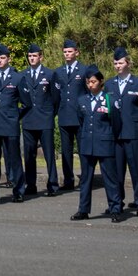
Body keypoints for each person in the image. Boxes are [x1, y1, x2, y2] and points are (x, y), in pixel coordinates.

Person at [70, 66, 124, 222]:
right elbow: (82, 120)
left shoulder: (110, 100)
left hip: (105, 143)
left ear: (101, 82)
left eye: (93, 81)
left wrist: (108, 137)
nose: (90, 85)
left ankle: (115, 209)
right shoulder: (82, 100)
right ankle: (83, 210)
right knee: (86, 179)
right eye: (88, 82)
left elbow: (116, 123)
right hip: (87, 144)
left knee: (110, 179)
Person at [0, 44, 30, 202]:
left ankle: (18, 191)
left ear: (9, 59)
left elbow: (27, 103)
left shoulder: (17, 77)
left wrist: (16, 115)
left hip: (10, 123)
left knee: (14, 159)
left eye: (3, 58)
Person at [106, 47, 138, 214]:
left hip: (133, 133)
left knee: (137, 169)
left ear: (128, 63)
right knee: (116, 172)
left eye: (121, 62)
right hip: (116, 134)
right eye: (115, 63)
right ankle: (117, 203)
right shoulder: (109, 84)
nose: (118, 66)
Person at [21, 44, 60, 198]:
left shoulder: (50, 74)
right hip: (29, 119)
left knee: (49, 154)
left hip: (44, 119)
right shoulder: (23, 75)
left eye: (34, 56)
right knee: (29, 155)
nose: (32, 58)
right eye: (30, 56)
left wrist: (50, 114)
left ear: (40, 57)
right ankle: (30, 184)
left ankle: (53, 185)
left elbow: (56, 98)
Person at [55, 39, 87, 191]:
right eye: (65, 52)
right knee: (66, 151)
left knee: (82, 150)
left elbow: (88, 93)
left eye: (70, 51)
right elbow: (56, 94)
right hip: (64, 115)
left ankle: (85, 179)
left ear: (76, 52)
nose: (67, 54)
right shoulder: (59, 72)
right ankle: (68, 180)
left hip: (79, 116)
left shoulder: (84, 70)